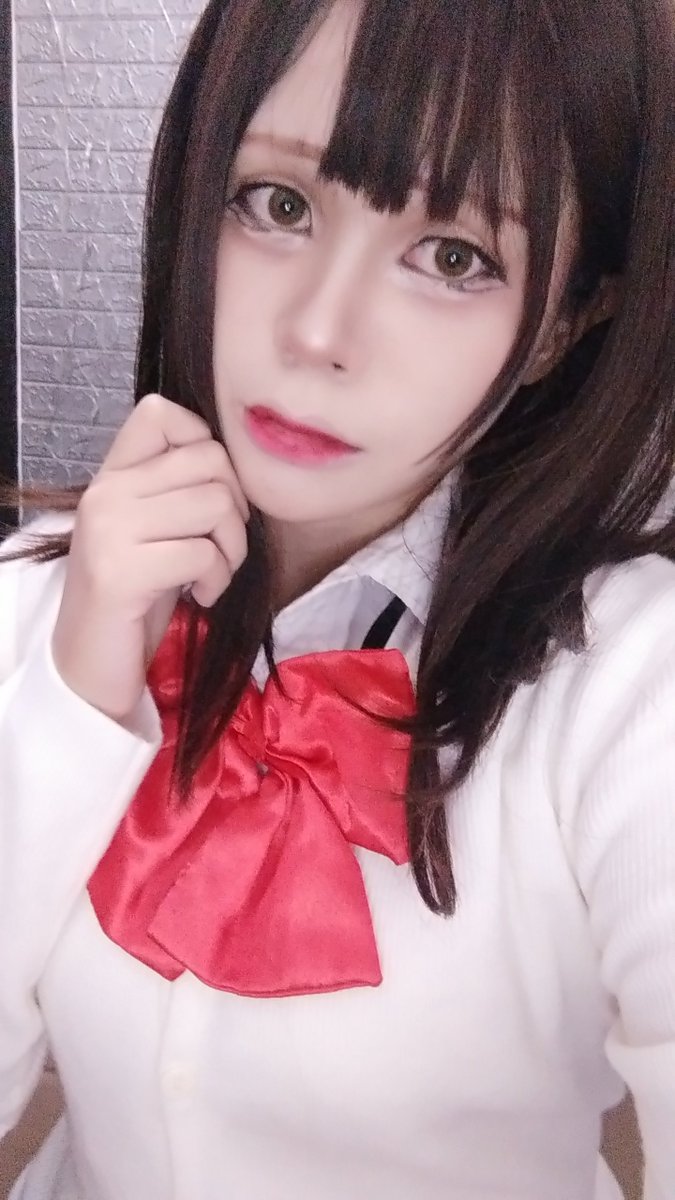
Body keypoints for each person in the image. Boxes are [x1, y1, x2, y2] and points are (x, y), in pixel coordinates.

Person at [1, 0, 674, 1196]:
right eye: (278, 204)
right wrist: (70, 704)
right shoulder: (40, 598)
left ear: (565, 321)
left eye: (454, 256)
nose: (317, 331)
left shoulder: (631, 686)